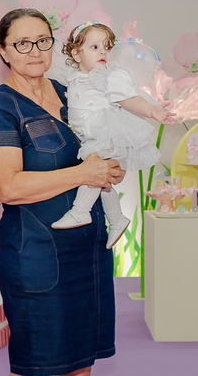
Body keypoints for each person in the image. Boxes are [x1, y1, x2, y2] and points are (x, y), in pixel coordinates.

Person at [0, 8, 125, 376]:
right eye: (22, 43)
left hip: (87, 246)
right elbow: (7, 186)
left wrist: (108, 168)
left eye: (43, 40)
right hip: (35, 251)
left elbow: (93, 154)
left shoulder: (68, 91)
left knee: (80, 353)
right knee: (35, 361)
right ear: (3, 51)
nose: (35, 51)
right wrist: (84, 174)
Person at [51, 22, 171, 245]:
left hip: (106, 132)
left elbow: (129, 99)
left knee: (94, 173)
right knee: (103, 181)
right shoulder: (72, 74)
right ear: (76, 54)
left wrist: (152, 110)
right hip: (89, 135)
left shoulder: (110, 75)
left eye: (107, 47)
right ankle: (117, 219)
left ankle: (80, 210)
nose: (103, 52)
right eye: (94, 47)